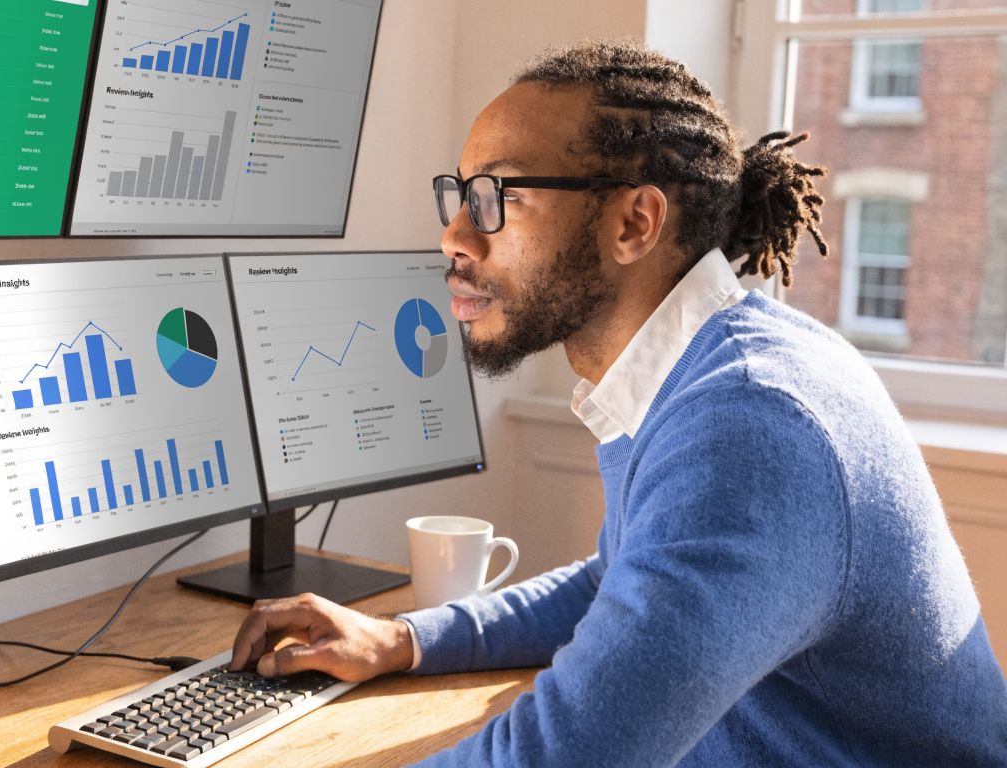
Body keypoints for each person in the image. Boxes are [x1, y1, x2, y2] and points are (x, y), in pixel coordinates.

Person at [227, 39, 1007, 766]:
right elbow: (615, 581)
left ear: (635, 221)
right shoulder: (703, 374)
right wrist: (401, 638)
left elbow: (568, 753)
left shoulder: (752, 422)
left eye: (497, 196)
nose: (456, 236)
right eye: (460, 196)